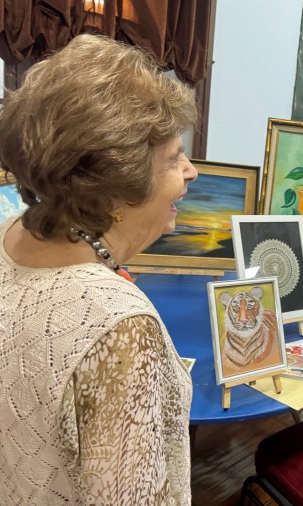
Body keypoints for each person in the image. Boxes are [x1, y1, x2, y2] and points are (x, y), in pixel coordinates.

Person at [0, 34, 198, 504]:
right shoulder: (120, 329)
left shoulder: (8, 235)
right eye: (174, 159)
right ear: (114, 185)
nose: (191, 172)